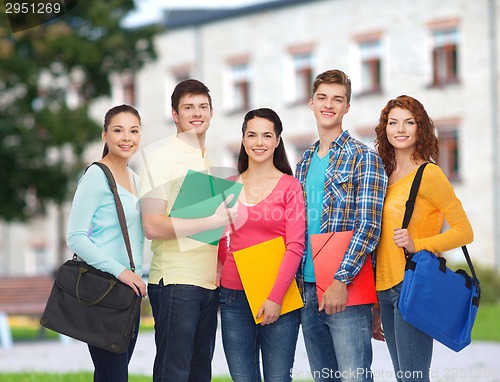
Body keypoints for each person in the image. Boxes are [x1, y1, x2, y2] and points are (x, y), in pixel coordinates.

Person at [139, 79, 237, 382]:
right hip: (176, 284)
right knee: (174, 373)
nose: (197, 113)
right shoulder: (159, 158)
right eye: (188, 107)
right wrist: (213, 221)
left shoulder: (204, 158)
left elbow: (199, 226)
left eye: (203, 106)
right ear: (174, 114)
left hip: (207, 284)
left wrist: (219, 261)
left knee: (198, 374)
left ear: (211, 112)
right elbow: (152, 225)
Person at [372, 95, 474, 382]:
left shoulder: (430, 174)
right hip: (384, 290)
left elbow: (464, 231)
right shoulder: (384, 174)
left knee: (414, 378)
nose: (400, 129)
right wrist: (376, 305)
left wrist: (419, 244)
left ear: (420, 129)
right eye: (393, 122)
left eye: (409, 122)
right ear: (385, 129)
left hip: (411, 286)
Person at [295, 69, 387, 382]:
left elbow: (369, 226)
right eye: (322, 97)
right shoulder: (304, 162)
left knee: (354, 377)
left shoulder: (364, 157)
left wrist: (340, 279)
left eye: (338, 99)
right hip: (307, 288)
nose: (329, 105)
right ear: (311, 103)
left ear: (347, 107)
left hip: (345, 288)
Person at [218, 108, 306, 382]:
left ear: (278, 140)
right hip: (233, 296)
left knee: (278, 378)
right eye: (252, 135)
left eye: (267, 135)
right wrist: (220, 268)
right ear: (243, 140)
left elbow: (295, 246)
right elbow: (219, 236)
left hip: (278, 296)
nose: (259, 142)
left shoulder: (290, 187)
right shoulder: (229, 185)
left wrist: (274, 298)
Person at [66, 104, 147, 382]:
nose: (127, 137)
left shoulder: (135, 179)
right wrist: (122, 272)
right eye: (118, 130)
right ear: (105, 135)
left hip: (129, 295)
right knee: (115, 375)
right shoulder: (96, 176)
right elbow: (75, 236)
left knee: (110, 375)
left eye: (133, 131)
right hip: (103, 291)